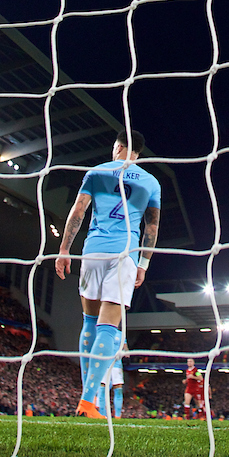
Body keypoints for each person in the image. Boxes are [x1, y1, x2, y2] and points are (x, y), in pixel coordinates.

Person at [57, 129, 161, 419]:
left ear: (117, 147)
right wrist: (144, 263)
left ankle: (89, 401)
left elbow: (79, 210)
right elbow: (151, 228)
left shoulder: (97, 172)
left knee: (89, 322)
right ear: (138, 152)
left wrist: (65, 249)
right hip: (124, 253)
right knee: (109, 326)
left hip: (93, 249)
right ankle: (89, 402)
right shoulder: (151, 183)